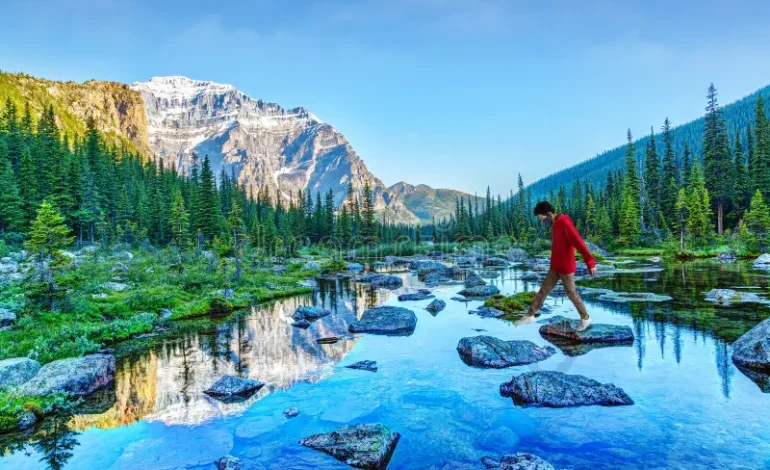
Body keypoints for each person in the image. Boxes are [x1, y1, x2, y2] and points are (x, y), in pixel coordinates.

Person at [516, 201, 596, 331]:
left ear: (548, 214)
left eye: (542, 219)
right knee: (543, 290)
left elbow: (579, 242)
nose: (542, 222)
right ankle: (529, 315)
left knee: (571, 293)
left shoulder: (565, 223)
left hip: (566, 268)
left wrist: (590, 262)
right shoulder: (554, 224)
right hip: (555, 267)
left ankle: (585, 318)